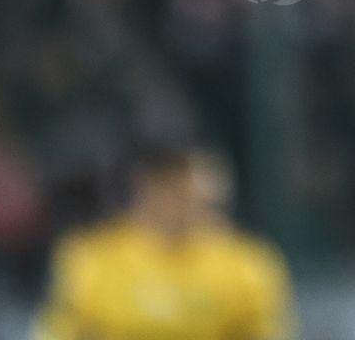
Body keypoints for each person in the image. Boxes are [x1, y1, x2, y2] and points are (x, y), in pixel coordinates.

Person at [32, 143, 297, 340]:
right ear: (148, 188)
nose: (192, 205)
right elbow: (60, 332)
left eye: (208, 200)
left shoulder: (247, 263)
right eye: (180, 191)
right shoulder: (92, 258)